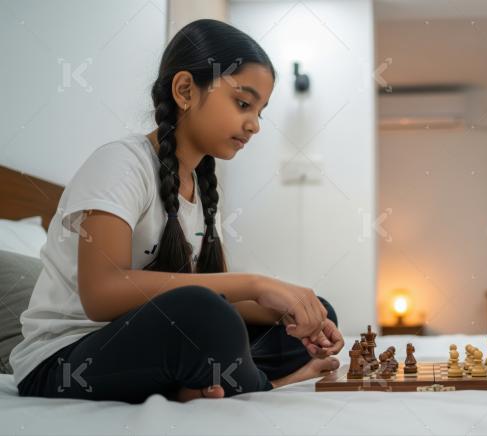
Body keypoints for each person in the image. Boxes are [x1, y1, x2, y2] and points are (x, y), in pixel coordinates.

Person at [10, 19, 344, 404]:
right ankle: (266, 385)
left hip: (144, 344)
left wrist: (289, 312)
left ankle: (203, 383)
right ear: (185, 90)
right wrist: (256, 283)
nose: (254, 125)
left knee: (316, 310)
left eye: (261, 112)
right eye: (242, 103)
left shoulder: (201, 189)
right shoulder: (120, 163)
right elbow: (101, 294)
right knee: (204, 314)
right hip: (64, 362)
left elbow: (211, 295)